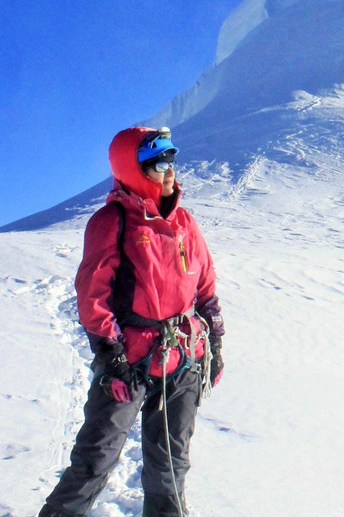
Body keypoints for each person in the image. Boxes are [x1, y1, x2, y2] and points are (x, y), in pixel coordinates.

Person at [39, 126, 225, 517]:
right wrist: (112, 356)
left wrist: (217, 343)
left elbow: (205, 286)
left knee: (171, 465)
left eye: (171, 157)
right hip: (130, 362)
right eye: (157, 162)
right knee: (96, 459)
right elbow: (93, 296)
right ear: (133, 168)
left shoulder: (186, 223)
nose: (168, 168)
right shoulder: (112, 222)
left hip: (183, 358)